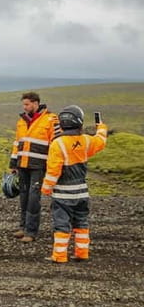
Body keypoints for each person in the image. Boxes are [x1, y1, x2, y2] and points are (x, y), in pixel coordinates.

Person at [41, 106, 107, 263]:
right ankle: (82, 253)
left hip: (63, 193)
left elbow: (53, 170)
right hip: (82, 192)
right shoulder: (86, 140)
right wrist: (101, 126)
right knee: (81, 222)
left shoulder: (58, 144)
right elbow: (101, 141)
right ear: (79, 122)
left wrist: (46, 188)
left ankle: (59, 256)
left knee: (62, 224)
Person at [9, 92, 61, 242]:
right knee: (24, 196)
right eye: (23, 104)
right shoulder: (22, 121)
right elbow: (17, 143)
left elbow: (56, 144)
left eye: (27, 104)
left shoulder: (51, 119)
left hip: (39, 166)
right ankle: (23, 227)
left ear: (36, 103)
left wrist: (53, 166)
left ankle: (31, 232)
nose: (24, 107)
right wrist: (13, 164)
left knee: (33, 198)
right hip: (23, 164)